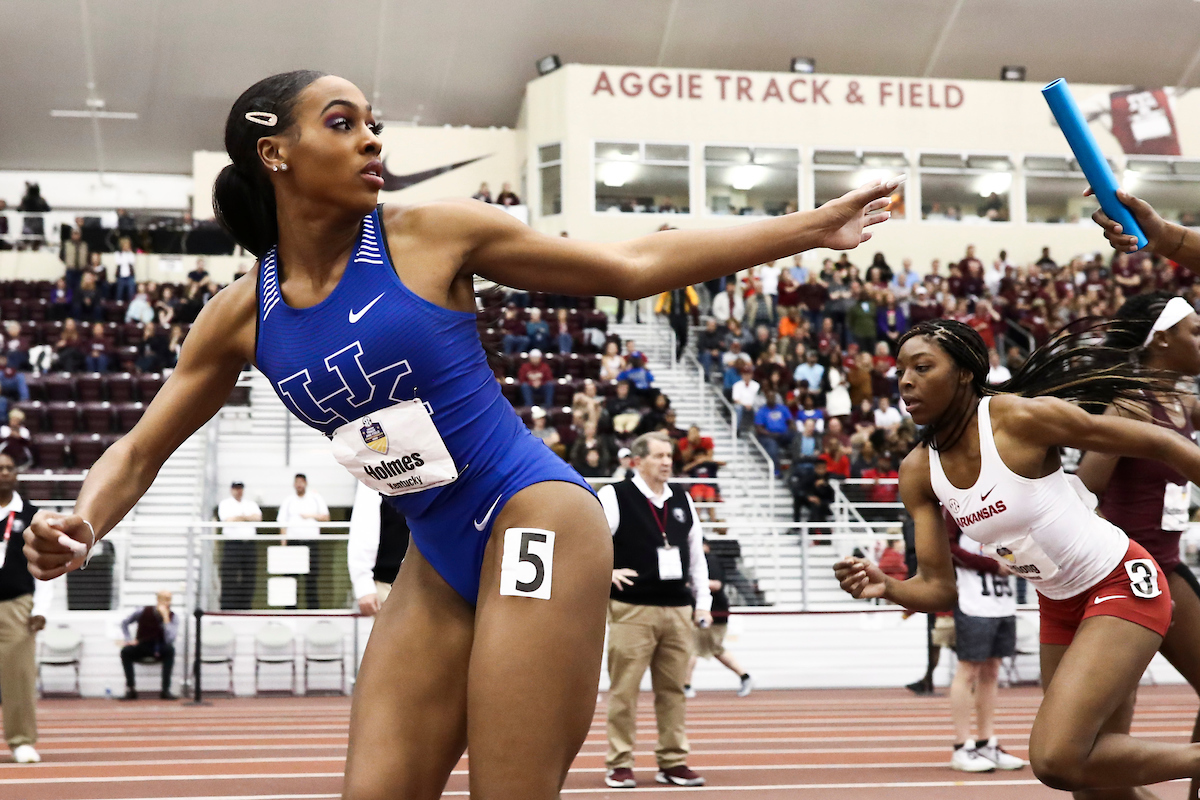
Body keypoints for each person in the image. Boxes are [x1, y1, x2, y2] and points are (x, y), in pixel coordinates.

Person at [21, 71, 895, 800]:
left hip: (535, 517)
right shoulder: (241, 315)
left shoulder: (433, 234)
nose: (372, 140)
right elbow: (140, 448)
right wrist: (83, 522)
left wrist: (815, 228)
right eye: (343, 122)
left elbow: (632, 268)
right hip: (435, 557)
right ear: (273, 153)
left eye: (374, 124)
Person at [834, 318, 1200, 794]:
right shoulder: (918, 471)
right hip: (1059, 603)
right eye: (899, 370)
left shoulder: (1017, 419)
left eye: (922, 367)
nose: (905, 381)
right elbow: (939, 588)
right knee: (1088, 783)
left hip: (1120, 581)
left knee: (1056, 758)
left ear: (965, 372)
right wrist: (888, 587)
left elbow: (1160, 441)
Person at [1075, 293, 1200, 800]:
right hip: (1127, 575)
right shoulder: (1128, 405)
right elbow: (1085, 491)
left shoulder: (1184, 403)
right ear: (1162, 339)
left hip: (1169, 569)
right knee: (1099, 756)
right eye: (1195, 331)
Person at [599, 432, 711, 788]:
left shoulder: (682, 498)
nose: (667, 462)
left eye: (669, 456)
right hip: (633, 609)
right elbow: (589, 540)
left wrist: (703, 602)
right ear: (637, 460)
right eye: (659, 456)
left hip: (677, 608)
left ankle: (673, 761)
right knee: (624, 690)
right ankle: (620, 762)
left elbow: (696, 555)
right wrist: (607, 572)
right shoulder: (614, 495)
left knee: (674, 691)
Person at [945, 513, 1026, 773]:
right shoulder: (954, 507)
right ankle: (961, 746)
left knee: (992, 671)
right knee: (968, 669)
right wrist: (992, 566)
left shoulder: (1002, 505)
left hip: (1002, 600)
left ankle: (986, 742)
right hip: (972, 600)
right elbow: (947, 548)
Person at [0, 452, 49, 763]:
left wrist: (41, 607)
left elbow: (44, 563)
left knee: (19, 676)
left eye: (8, 467)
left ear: (16, 473)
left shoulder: (32, 515)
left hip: (17, 604)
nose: (4, 472)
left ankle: (21, 741)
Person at [684, 538, 751, 700]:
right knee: (714, 650)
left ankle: (686, 685)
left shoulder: (709, 560)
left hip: (713, 613)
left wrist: (691, 584)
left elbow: (716, 585)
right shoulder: (695, 561)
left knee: (693, 649)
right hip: (704, 612)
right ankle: (745, 677)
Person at [348, 481, 410, 616]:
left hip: (433, 582)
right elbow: (364, 523)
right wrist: (363, 582)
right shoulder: (374, 465)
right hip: (389, 583)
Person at [277, 473, 330, 609]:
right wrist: (284, 546)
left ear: (305, 483)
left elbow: (326, 517)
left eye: (301, 482)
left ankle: (312, 608)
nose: (299, 484)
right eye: (297, 482)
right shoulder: (288, 501)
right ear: (294, 484)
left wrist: (310, 516)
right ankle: (289, 609)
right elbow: (282, 524)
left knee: (311, 577)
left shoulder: (315, 498)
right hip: (293, 543)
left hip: (310, 542)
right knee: (291, 577)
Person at [119, 589, 179, 700]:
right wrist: (128, 639)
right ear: (158, 600)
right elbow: (124, 623)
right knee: (125, 651)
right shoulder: (143, 611)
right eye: (164, 599)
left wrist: (166, 619)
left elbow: (170, 639)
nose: (167, 602)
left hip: (160, 646)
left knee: (170, 650)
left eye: (169, 599)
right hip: (143, 645)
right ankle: (131, 689)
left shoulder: (173, 617)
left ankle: (165, 690)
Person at [216, 480, 263, 610]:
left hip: (248, 545)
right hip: (233, 544)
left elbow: (258, 518)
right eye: (236, 488)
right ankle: (228, 608)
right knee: (230, 577)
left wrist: (239, 517)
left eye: (240, 488)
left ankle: (245, 607)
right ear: (232, 490)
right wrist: (246, 517)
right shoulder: (225, 504)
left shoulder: (250, 503)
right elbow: (227, 519)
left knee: (249, 577)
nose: (238, 491)